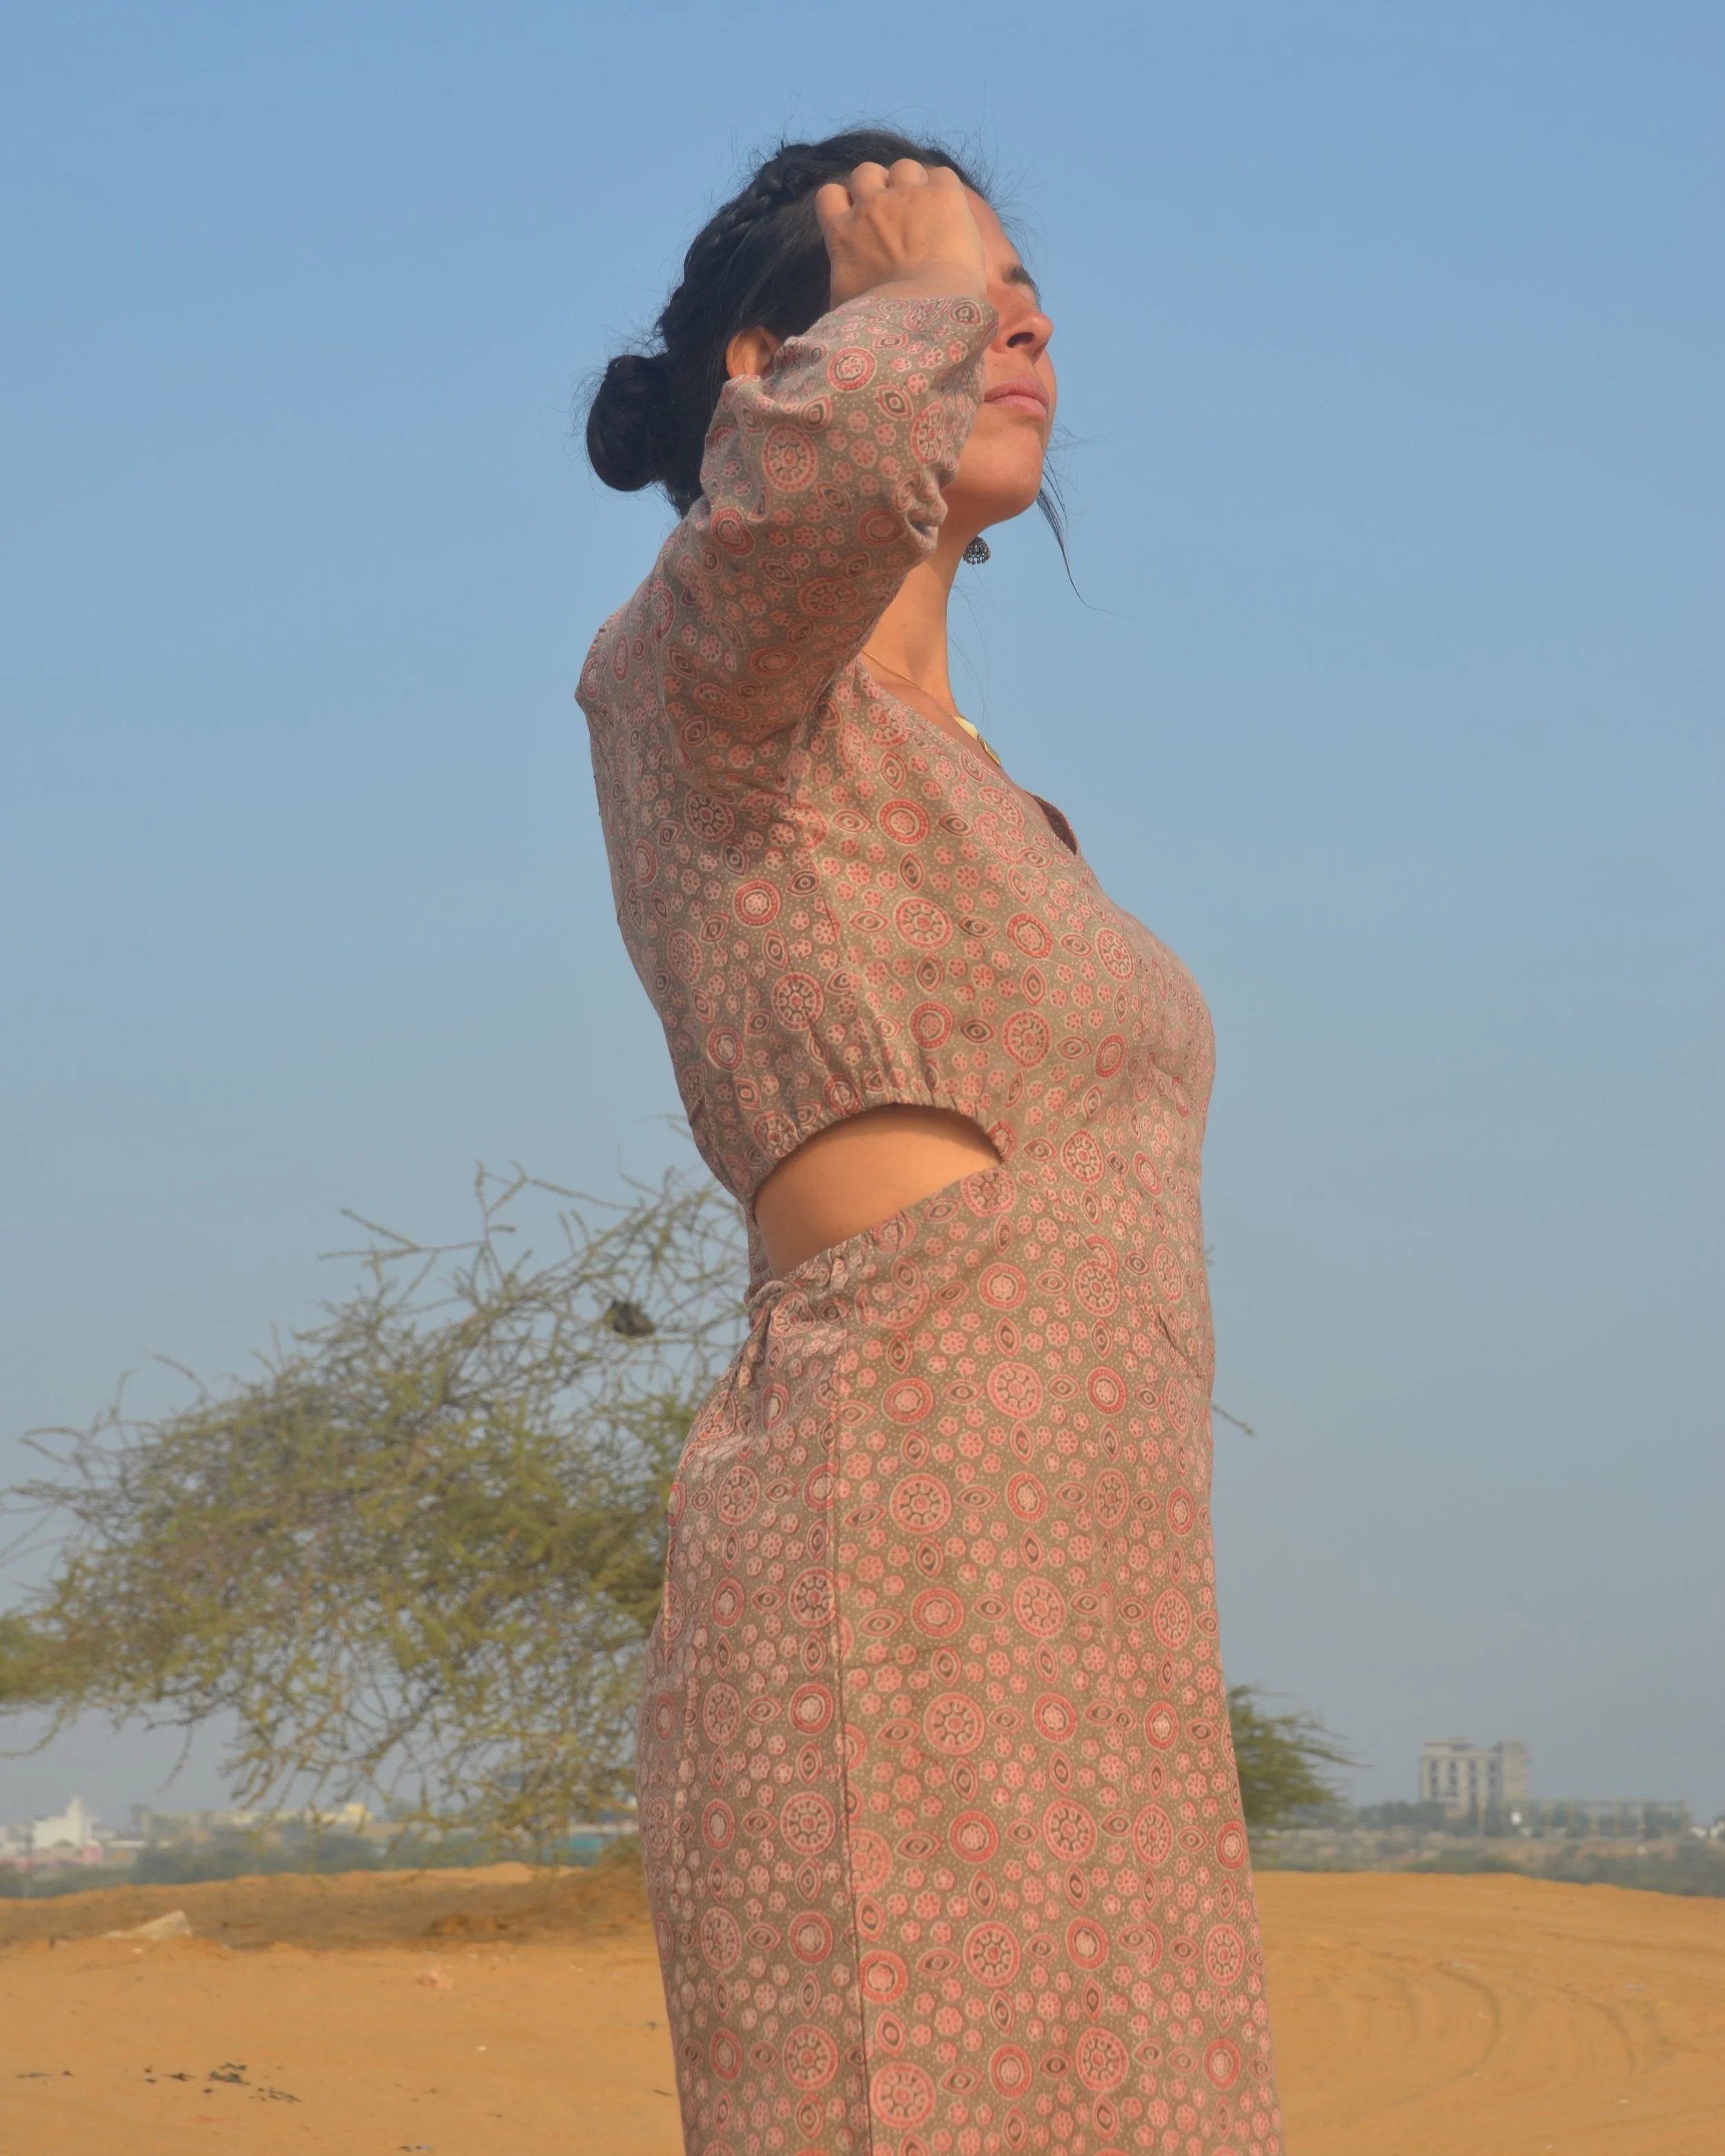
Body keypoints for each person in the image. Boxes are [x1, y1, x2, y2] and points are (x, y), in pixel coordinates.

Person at [580, 128, 1283, 2156]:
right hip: (886, 1581)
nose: (1012, 326)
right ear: (775, 371)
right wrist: (909, 302)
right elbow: (783, 528)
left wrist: (917, 292)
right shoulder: (698, 696)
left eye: (1023, 304)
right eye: (953, 298)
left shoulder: (995, 803)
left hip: (1102, 1608)